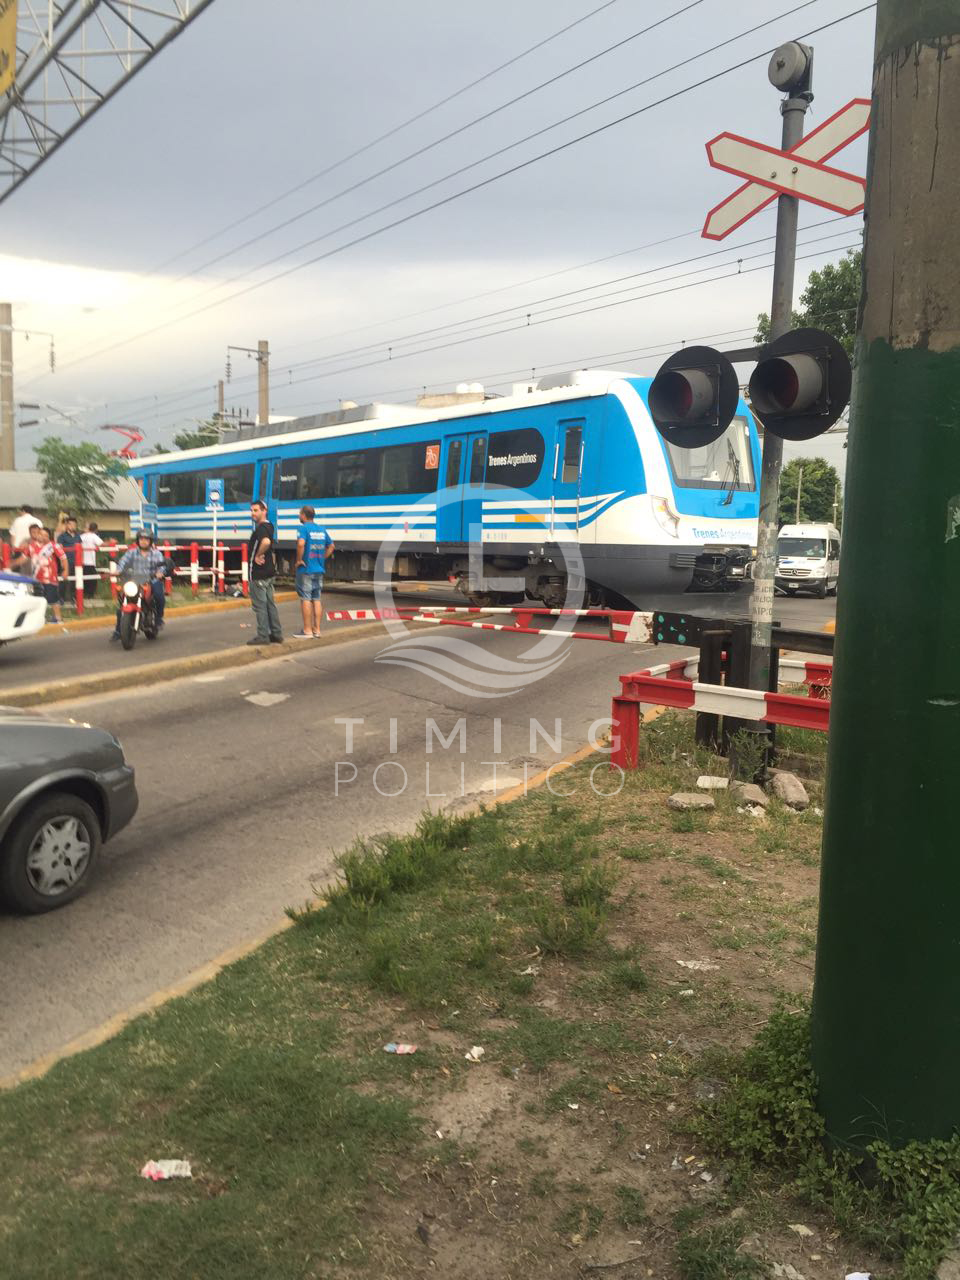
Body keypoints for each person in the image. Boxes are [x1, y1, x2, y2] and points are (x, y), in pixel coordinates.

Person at [110, 529, 169, 642]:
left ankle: (158, 619)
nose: (143, 541)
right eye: (141, 539)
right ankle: (118, 631)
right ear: (138, 541)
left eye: (146, 539)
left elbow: (162, 565)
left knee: (159, 595)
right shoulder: (131, 552)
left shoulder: (156, 554)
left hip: (151, 580)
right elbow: (123, 562)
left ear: (150, 541)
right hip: (135, 580)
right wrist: (118, 570)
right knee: (122, 602)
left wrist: (160, 572)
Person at [293, 505, 334, 638]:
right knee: (316, 599)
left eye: (300, 514)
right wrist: (322, 557)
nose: (299, 516)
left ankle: (307, 630)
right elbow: (331, 546)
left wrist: (299, 560)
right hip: (319, 569)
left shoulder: (303, 528)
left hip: (306, 569)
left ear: (304, 515)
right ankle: (317, 629)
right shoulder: (321, 529)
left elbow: (300, 544)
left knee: (305, 598)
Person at [14, 524, 68, 625]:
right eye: (41, 534)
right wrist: (11, 563)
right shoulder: (31, 546)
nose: (42, 537)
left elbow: (63, 558)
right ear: (37, 535)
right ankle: (38, 618)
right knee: (36, 598)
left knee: (53, 599)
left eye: (45, 535)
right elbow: (23, 559)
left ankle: (58, 618)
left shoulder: (53, 546)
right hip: (36, 579)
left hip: (50, 578)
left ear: (49, 537)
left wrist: (65, 570)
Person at [247, 500, 283, 645]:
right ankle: (276, 633)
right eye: (252, 510)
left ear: (264, 511)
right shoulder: (270, 526)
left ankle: (263, 636)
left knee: (260, 606)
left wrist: (257, 555)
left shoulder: (261, 529)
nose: (253, 513)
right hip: (268, 573)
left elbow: (266, 542)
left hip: (259, 573)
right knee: (270, 604)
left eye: (256, 510)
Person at [57, 515, 82, 606]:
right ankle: (61, 598)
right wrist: (62, 563)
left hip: (76, 562)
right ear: (67, 525)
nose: (73, 526)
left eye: (74, 525)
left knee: (75, 581)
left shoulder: (78, 536)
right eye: (71, 524)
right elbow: (59, 549)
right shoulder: (62, 536)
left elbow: (81, 548)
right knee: (63, 581)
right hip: (66, 562)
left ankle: (74, 598)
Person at [80, 521, 104, 598]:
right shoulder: (93, 536)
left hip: (81, 561)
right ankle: (90, 595)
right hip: (90, 561)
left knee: (83, 579)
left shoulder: (81, 536)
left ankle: (84, 594)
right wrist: (111, 542)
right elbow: (102, 544)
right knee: (93, 580)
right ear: (96, 529)